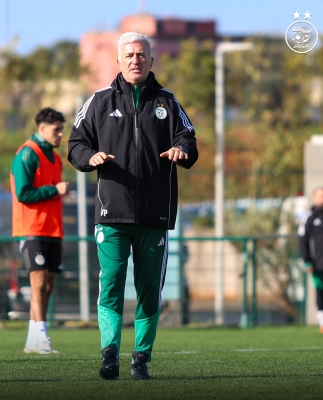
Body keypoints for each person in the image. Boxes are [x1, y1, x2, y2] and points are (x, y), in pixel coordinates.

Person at [68, 32, 198, 380]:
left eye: (141, 55)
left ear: (151, 60)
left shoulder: (168, 101)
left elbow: (188, 137)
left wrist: (182, 149)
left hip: (155, 214)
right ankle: (109, 354)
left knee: (149, 289)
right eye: (129, 55)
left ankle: (141, 359)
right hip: (112, 213)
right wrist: (89, 157)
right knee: (111, 283)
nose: (135, 60)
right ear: (119, 61)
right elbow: (76, 142)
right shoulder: (99, 101)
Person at [10, 107, 69, 353]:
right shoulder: (27, 153)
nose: (60, 134)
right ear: (42, 128)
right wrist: (54, 190)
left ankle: (33, 340)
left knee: (48, 284)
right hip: (31, 228)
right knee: (38, 282)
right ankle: (41, 338)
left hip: (53, 230)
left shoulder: (55, 158)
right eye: (56, 130)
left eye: (62, 129)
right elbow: (23, 193)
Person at [298, 187, 323, 333]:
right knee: (320, 292)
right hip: (318, 264)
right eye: (320, 196)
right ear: (314, 198)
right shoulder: (309, 217)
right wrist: (307, 261)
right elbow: (302, 240)